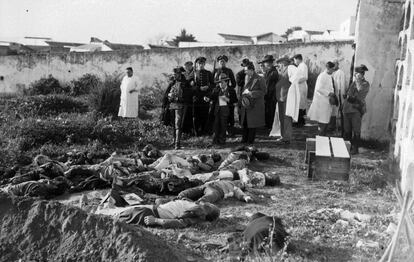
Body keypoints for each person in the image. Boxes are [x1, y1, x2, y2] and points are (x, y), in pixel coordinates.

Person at [118, 199, 220, 228]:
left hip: (148, 213)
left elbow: (180, 223)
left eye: (209, 206)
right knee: (118, 214)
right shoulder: (196, 205)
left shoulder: (198, 214)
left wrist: (156, 221)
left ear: (205, 215)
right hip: (150, 208)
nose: (206, 204)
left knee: (118, 218)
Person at [343, 64, 370, 154]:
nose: (357, 76)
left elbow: (359, 97)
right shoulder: (353, 83)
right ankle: (347, 148)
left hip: (356, 110)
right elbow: (349, 95)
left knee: (356, 130)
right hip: (347, 109)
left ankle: (355, 149)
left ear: (362, 75)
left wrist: (350, 97)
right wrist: (348, 97)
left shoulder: (365, 84)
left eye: (359, 74)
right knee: (347, 130)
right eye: (356, 74)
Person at [165, 66, 193, 150]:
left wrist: (180, 98)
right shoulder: (172, 83)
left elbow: (188, 94)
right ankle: (174, 141)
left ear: (179, 74)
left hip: (180, 106)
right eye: (173, 74)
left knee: (178, 125)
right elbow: (166, 93)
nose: (174, 76)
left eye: (175, 74)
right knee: (173, 124)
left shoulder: (185, 83)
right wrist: (169, 96)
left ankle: (177, 143)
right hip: (172, 105)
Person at [239, 62, 266, 144]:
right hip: (246, 104)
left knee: (252, 124)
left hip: (254, 105)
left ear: (251, 70)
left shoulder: (260, 79)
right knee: (245, 122)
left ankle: (250, 140)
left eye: (246, 70)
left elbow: (264, 91)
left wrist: (252, 93)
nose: (245, 72)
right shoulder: (246, 77)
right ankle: (244, 139)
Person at [307, 62, 336, 136]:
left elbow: (330, 87)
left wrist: (332, 94)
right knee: (323, 121)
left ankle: (323, 137)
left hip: (327, 102)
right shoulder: (322, 76)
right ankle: (321, 137)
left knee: (326, 120)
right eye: (332, 69)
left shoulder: (329, 76)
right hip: (322, 102)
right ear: (328, 68)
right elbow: (319, 89)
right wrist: (329, 93)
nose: (333, 71)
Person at [270, 57, 292, 144]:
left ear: (283, 63)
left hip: (286, 98)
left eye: (279, 64)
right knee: (281, 119)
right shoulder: (282, 71)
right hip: (280, 98)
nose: (278, 66)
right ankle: (283, 136)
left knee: (286, 119)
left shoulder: (289, 70)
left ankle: (286, 137)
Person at [210, 73, 238, 145]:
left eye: (222, 82)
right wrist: (207, 98)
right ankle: (215, 141)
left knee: (223, 126)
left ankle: (222, 141)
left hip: (226, 111)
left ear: (226, 82)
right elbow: (212, 97)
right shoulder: (216, 89)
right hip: (217, 110)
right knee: (215, 126)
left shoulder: (231, 90)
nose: (220, 84)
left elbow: (235, 101)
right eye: (219, 83)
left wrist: (228, 100)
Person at [213, 55, 237, 136]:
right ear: (218, 62)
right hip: (217, 94)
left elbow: (233, 83)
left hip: (226, 94)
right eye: (220, 61)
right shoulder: (215, 71)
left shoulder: (229, 71)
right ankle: (218, 131)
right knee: (217, 113)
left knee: (228, 113)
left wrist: (227, 90)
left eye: (223, 61)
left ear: (225, 62)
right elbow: (212, 83)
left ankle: (230, 130)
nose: (222, 63)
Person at [178, 180, 252, 203]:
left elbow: (240, 194)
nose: (240, 183)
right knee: (194, 190)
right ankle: (181, 196)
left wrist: (246, 197)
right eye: (241, 182)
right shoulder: (227, 180)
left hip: (217, 190)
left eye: (242, 184)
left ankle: (199, 203)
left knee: (212, 195)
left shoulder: (235, 188)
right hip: (208, 185)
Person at [193, 57, 214, 136]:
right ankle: (197, 132)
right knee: (196, 115)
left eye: (202, 63)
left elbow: (213, 84)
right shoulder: (194, 73)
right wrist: (199, 88)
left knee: (205, 114)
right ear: (197, 64)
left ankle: (204, 130)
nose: (200, 65)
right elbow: (192, 86)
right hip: (197, 97)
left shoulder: (208, 73)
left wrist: (208, 87)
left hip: (205, 97)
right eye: (199, 63)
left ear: (204, 64)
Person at [258, 55, 279, 130]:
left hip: (271, 95)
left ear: (269, 63)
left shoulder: (273, 72)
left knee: (270, 111)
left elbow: (269, 86)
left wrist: (265, 95)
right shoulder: (270, 71)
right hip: (269, 95)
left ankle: (270, 126)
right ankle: (268, 125)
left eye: (265, 62)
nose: (264, 64)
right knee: (268, 110)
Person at [331, 60, 348, 134]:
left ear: (338, 64)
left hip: (339, 94)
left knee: (340, 111)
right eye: (333, 65)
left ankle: (342, 128)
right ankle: (333, 126)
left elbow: (343, 84)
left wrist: (342, 95)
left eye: (335, 64)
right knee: (333, 111)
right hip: (334, 94)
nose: (334, 66)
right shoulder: (332, 73)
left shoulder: (341, 73)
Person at [293, 54, 308, 127]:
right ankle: (299, 120)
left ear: (297, 59)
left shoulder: (303, 66)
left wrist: (296, 81)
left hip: (301, 87)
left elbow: (305, 77)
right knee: (299, 104)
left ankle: (300, 121)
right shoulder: (300, 66)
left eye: (294, 60)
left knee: (300, 104)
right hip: (299, 87)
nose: (294, 61)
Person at [182, 61, 196, 134]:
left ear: (192, 66)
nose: (188, 67)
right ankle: (185, 129)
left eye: (190, 66)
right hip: (185, 96)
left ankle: (192, 129)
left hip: (193, 94)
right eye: (187, 66)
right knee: (185, 112)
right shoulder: (183, 74)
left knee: (192, 113)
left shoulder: (195, 73)